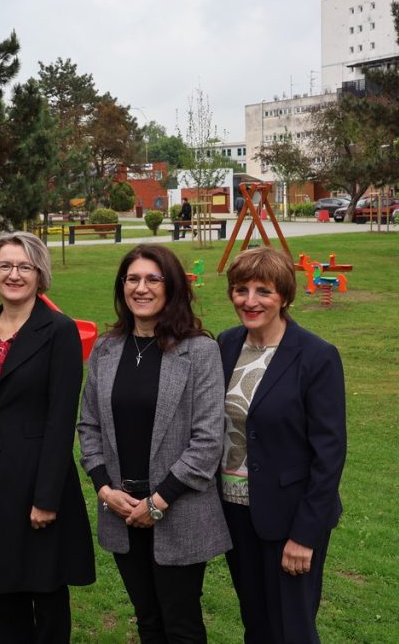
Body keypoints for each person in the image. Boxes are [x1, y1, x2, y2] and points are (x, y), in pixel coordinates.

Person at [78, 244, 231, 643]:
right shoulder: (106, 350)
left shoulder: (199, 351)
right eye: (132, 279)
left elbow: (207, 440)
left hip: (178, 510)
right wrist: (104, 489)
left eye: (152, 279)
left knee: (181, 625)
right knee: (147, 619)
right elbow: (88, 425)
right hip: (121, 510)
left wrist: (158, 503)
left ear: (171, 287)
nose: (140, 288)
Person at [0, 232, 95, 642]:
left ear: (39, 274)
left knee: (44, 585)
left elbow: (61, 417)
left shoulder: (59, 332)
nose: (14, 274)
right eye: (5, 265)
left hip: (35, 479)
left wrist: (46, 497)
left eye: (24, 267)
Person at [218, 247, 346, 643]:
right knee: (256, 623)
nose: (250, 301)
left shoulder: (316, 356)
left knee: (292, 628)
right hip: (235, 511)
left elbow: (330, 453)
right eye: (241, 290)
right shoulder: (225, 344)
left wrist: (304, 535)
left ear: (285, 296)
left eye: (263, 291)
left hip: (289, 516)